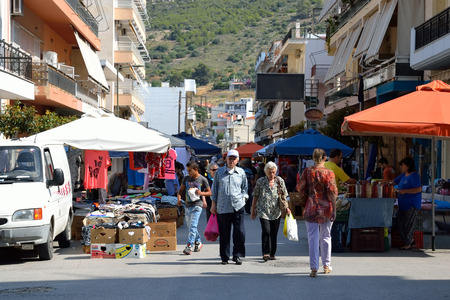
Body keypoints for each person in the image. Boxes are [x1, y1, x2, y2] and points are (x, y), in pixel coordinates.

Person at [297, 148, 338, 278]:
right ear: (325, 158)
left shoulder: (307, 172)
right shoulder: (329, 173)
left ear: (313, 158)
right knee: (326, 236)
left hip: (311, 207)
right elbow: (332, 192)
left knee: (312, 237)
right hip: (326, 208)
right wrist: (334, 208)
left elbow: (299, 187)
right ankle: (326, 265)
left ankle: (314, 268)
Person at [211, 149, 248, 265]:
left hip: (238, 206)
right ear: (226, 159)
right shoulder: (219, 172)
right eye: (229, 158)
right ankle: (224, 257)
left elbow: (245, 188)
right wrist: (213, 205)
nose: (231, 160)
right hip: (223, 207)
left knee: (239, 232)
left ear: (237, 160)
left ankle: (237, 255)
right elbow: (215, 189)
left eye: (233, 158)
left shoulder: (241, 172)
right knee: (224, 233)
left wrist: (244, 198)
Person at [251, 161, 291, 261]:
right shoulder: (261, 181)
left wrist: (287, 208)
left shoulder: (279, 181)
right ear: (265, 172)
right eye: (269, 172)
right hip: (263, 210)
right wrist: (253, 210)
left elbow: (283, 196)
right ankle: (265, 252)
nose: (271, 174)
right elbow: (255, 196)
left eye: (273, 172)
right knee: (266, 231)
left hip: (276, 211)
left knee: (274, 232)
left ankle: (272, 253)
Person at [177, 161, 211, 255]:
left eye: (190, 171)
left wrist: (201, 194)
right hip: (187, 205)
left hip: (197, 205)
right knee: (191, 226)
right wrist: (179, 199)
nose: (188, 173)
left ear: (196, 169)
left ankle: (189, 246)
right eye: (187, 171)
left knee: (192, 226)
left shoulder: (203, 179)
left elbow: (209, 192)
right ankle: (198, 241)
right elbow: (180, 191)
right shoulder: (186, 178)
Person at [393, 157, 422, 250]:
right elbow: (393, 182)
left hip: (412, 204)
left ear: (408, 166)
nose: (402, 167)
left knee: (408, 224)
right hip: (402, 204)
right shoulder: (403, 175)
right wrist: (380, 182)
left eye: (403, 165)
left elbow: (419, 189)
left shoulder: (414, 176)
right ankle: (409, 240)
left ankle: (408, 243)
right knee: (398, 222)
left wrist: (405, 191)